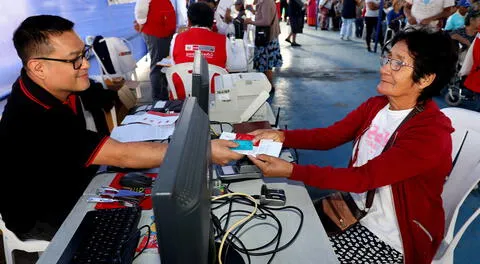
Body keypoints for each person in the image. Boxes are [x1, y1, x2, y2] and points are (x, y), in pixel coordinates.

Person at [0, 15, 243, 243]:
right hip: (41, 214)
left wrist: (109, 85)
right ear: (38, 68)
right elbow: (121, 155)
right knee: (145, 229)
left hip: (76, 183)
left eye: (83, 54)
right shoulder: (34, 116)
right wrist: (201, 149)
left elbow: (101, 97)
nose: (85, 64)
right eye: (74, 59)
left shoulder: (57, 83)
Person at [248, 30, 458, 264]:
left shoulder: (429, 133)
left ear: (426, 78)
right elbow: (330, 136)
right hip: (353, 210)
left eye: (398, 63)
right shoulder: (376, 106)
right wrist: (281, 136)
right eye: (388, 58)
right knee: (279, 233)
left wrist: (290, 171)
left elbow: (363, 178)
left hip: (391, 239)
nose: (385, 68)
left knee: (298, 252)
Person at [134, 0, 187, 101]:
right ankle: (159, 100)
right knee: (158, 67)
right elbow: (140, 8)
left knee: (164, 65)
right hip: (156, 32)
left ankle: (163, 96)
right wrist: (141, 21)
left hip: (164, 32)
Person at [244, 0, 283, 89]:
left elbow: (266, 21)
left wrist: (251, 22)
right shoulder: (265, 2)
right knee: (266, 63)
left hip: (267, 38)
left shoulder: (266, 2)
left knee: (267, 64)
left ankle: (269, 86)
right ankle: (267, 85)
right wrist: (253, 11)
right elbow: (264, 15)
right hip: (268, 37)